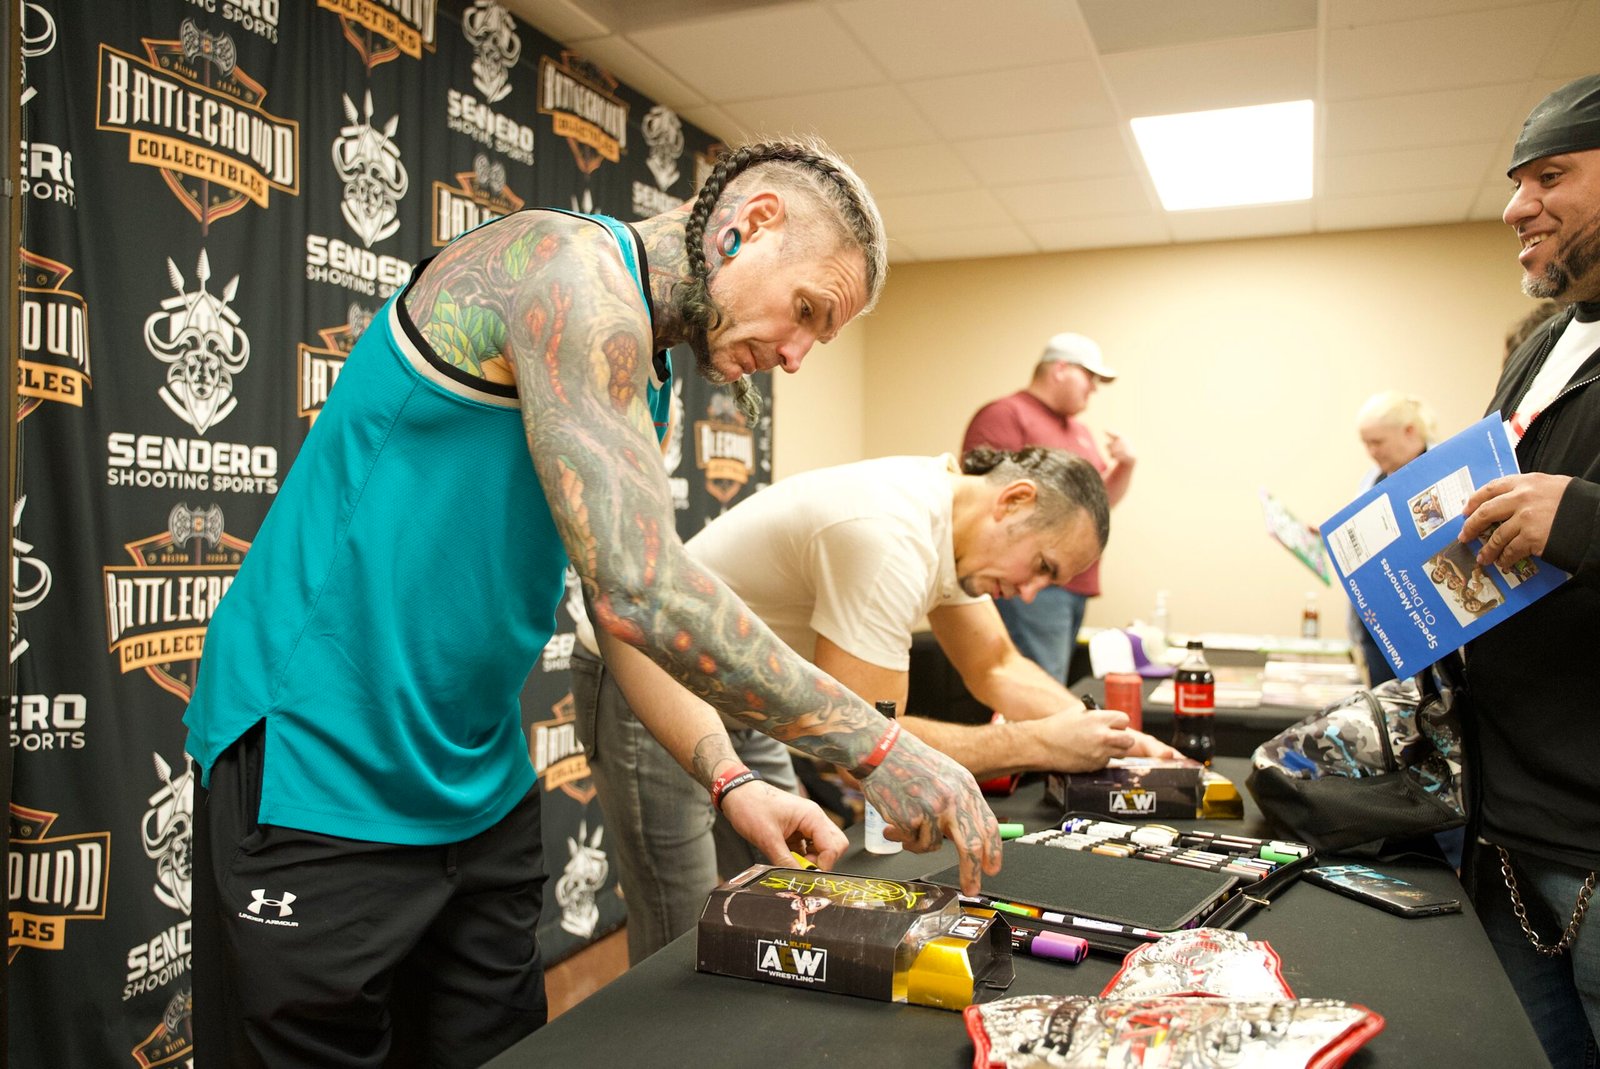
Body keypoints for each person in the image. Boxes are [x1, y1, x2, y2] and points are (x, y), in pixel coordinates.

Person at [181, 137, 1001, 1068]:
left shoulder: (642, 375)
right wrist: (878, 746)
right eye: (806, 311)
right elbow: (644, 589)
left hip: (474, 785)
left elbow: (626, 621)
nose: (796, 355)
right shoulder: (565, 270)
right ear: (753, 222)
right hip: (319, 765)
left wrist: (732, 781)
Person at [572, 445, 1181, 962]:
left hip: (752, 698)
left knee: (789, 896)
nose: (1029, 593)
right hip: (649, 672)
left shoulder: (950, 525)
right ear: (1014, 501)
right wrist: (1043, 743)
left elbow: (996, 665)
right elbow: (858, 745)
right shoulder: (891, 535)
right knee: (679, 929)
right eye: (1041, 567)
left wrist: (1110, 738)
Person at [1456, 74, 1600, 1069]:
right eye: (1517, 181)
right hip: (1507, 820)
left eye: (1551, 176)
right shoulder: (1547, 341)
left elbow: (1568, 521)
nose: (1517, 206)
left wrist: (1582, 517)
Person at [961, 333, 1135, 683]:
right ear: (1060, 369)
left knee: (1051, 682)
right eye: (1089, 376)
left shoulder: (1080, 432)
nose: (1094, 388)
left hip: (1073, 583)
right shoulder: (1006, 414)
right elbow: (990, 498)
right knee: (1037, 683)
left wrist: (1125, 466)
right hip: (1028, 580)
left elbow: (1097, 508)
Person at [1350, 391, 1437, 684]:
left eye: (1377, 442)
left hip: (1419, 617)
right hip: (1376, 621)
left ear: (1409, 431)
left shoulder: (1438, 471)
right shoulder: (1373, 479)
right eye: (1365, 443)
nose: (1371, 452)